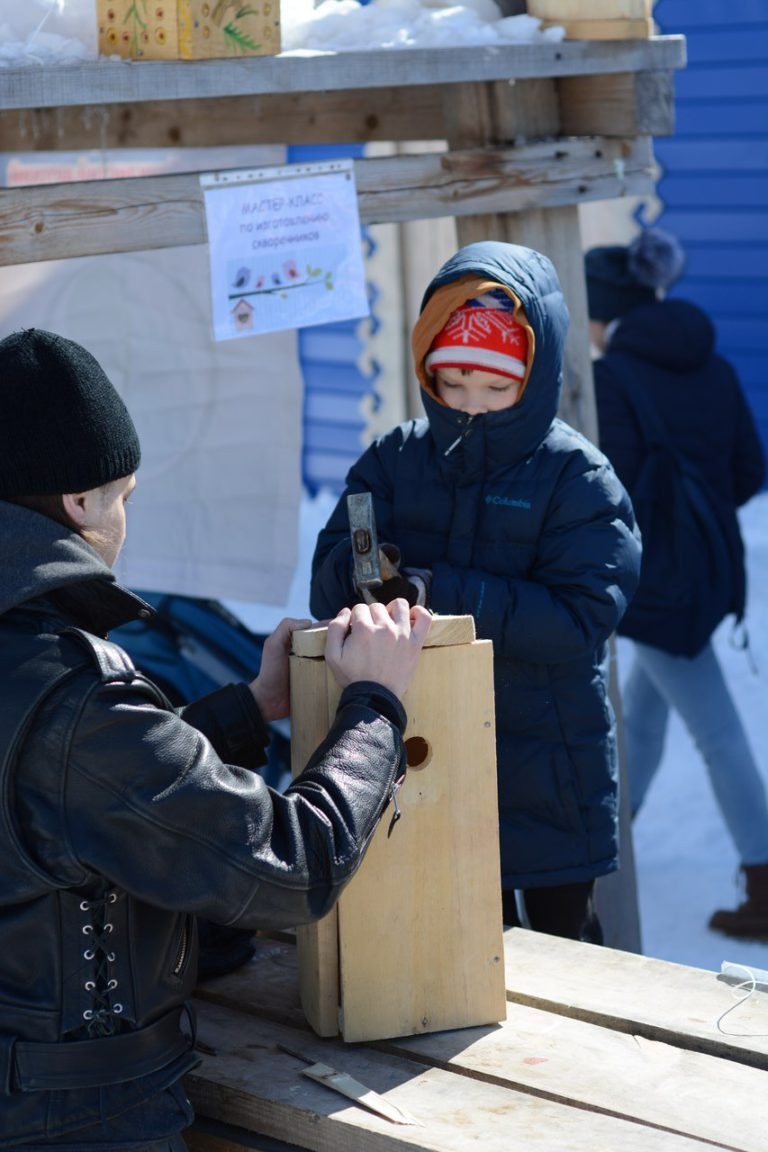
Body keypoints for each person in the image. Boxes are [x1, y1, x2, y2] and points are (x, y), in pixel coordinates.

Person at [0, 326, 431, 1150]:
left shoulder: (47, 686)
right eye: (124, 497)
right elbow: (290, 865)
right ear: (78, 503)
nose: (125, 520)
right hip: (74, 1122)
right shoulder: (72, 696)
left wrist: (249, 708)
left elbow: (63, 794)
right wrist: (375, 704)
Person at [310, 241, 641, 945]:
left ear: (535, 378)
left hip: (549, 765)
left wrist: (441, 591)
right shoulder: (395, 460)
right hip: (433, 747)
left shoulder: (577, 478)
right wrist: (367, 577)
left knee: (565, 951)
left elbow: (581, 616)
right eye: (454, 382)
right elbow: (330, 571)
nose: (471, 406)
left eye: (496, 388)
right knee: (458, 943)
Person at [586, 227, 768, 939]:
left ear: (604, 312)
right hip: (708, 573)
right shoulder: (712, 365)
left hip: (657, 588)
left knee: (716, 731)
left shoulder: (612, 379)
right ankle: (610, 846)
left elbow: (610, 495)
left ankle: (765, 877)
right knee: (645, 714)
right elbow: (750, 471)